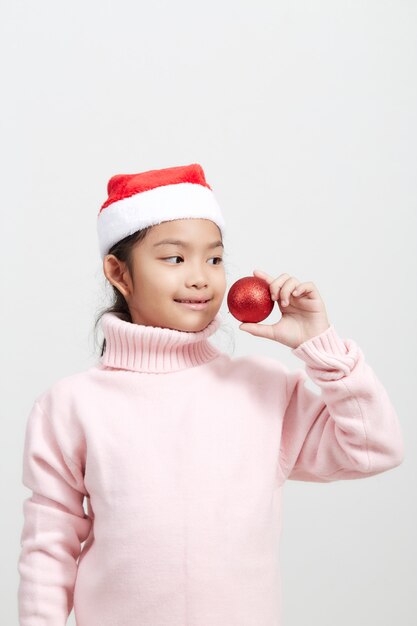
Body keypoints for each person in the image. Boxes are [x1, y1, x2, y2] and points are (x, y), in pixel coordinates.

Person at [17, 163, 405, 626]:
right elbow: (49, 546)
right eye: (175, 259)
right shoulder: (71, 405)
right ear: (119, 273)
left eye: (215, 259)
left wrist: (319, 345)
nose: (201, 278)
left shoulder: (262, 388)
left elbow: (374, 449)